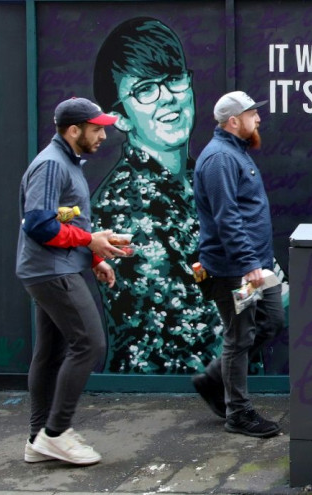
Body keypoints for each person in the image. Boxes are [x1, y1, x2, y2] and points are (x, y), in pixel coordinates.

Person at [91, 17, 223, 373]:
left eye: (174, 79)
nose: (168, 98)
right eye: (145, 89)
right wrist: (266, 299)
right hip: (163, 403)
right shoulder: (124, 205)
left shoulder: (201, 178)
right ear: (120, 118)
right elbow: (186, 330)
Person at [16, 97, 125, 465]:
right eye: (97, 129)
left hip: (56, 267)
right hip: (52, 271)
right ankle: (56, 432)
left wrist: (94, 254)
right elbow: (39, 225)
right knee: (90, 344)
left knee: (50, 354)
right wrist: (89, 242)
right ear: (74, 130)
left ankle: (38, 439)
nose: (103, 136)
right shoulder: (50, 165)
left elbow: (67, 221)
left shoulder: (67, 162)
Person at [192, 91, 284, 437]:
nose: (258, 118)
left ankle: (215, 378)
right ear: (233, 121)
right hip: (236, 269)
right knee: (240, 335)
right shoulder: (218, 159)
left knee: (272, 321)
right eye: (251, 114)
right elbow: (227, 217)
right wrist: (248, 264)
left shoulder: (235, 153)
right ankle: (239, 413)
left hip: (257, 265)